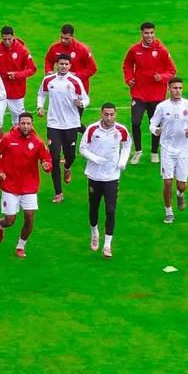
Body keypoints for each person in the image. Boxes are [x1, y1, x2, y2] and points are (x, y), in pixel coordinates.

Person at [0, 112, 52, 258]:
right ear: (18, 124)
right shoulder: (7, 138)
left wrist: (46, 166)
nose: (25, 126)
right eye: (22, 123)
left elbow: (47, 160)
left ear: (32, 125)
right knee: (10, 220)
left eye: (28, 124)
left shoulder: (37, 142)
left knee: (29, 217)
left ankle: (20, 246)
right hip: (10, 185)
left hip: (29, 186)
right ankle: (0, 225)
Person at [79, 103, 132, 259]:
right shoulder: (92, 129)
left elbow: (127, 144)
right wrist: (95, 158)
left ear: (115, 114)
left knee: (110, 210)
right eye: (106, 114)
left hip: (112, 176)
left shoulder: (121, 130)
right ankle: (94, 232)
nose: (109, 117)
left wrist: (122, 161)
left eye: (111, 114)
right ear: (101, 114)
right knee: (94, 208)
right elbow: (82, 148)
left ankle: (107, 245)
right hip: (94, 176)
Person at [122, 21, 177, 165]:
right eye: (146, 33)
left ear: (154, 33)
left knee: (156, 125)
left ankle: (154, 152)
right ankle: (138, 151)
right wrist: (129, 79)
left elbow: (172, 71)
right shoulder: (134, 50)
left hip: (157, 95)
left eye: (151, 33)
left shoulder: (162, 50)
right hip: (139, 93)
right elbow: (127, 65)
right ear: (141, 33)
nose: (149, 36)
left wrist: (162, 77)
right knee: (135, 122)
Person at [37, 54, 89, 203]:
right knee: (53, 158)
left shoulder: (75, 81)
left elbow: (85, 98)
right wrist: (40, 107)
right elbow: (41, 94)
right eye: (61, 64)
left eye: (66, 64)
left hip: (71, 124)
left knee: (70, 155)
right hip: (53, 124)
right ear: (56, 65)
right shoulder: (48, 80)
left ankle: (67, 167)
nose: (63, 66)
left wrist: (82, 103)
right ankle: (58, 193)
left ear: (70, 66)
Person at [149, 77, 188, 224]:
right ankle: (168, 212)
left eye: (180, 88)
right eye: (175, 88)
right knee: (167, 182)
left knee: (181, 184)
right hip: (167, 148)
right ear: (169, 89)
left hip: (185, 149)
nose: (178, 90)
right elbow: (152, 123)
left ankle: (180, 194)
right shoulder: (162, 106)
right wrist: (155, 130)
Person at [0, 25, 37, 140]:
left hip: (17, 92)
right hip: (0, 92)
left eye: (9, 39)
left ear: (13, 37)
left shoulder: (22, 50)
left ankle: (18, 145)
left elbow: (32, 69)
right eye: (4, 39)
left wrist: (17, 75)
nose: (7, 42)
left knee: (18, 122)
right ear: (1, 37)